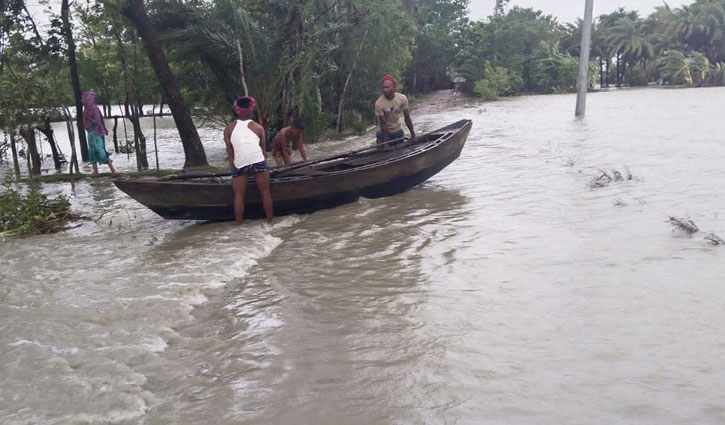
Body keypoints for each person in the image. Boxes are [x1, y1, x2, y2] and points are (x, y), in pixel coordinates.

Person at [224, 96, 274, 225]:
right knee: (265, 192)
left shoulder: (229, 129)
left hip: (240, 162)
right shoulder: (258, 128)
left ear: (236, 110)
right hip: (258, 159)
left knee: (239, 195)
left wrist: (234, 170)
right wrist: (264, 168)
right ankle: (269, 221)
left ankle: (239, 225)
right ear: (251, 111)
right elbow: (263, 151)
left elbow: (230, 153)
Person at [374, 74, 416, 148]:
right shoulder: (379, 103)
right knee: (382, 154)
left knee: (400, 152)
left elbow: (407, 117)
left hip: (397, 130)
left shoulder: (402, 98)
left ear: (394, 88)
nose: (384, 89)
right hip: (383, 132)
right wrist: (385, 141)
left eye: (387, 87)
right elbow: (383, 123)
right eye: (383, 87)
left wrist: (413, 134)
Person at [82, 91, 116, 175]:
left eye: (84, 98)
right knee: (92, 152)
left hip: (97, 132)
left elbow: (97, 121)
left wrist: (87, 118)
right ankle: (95, 171)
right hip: (90, 132)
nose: (82, 100)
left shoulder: (94, 108)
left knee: (101, 151)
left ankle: (113, 170)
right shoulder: (86, 109)